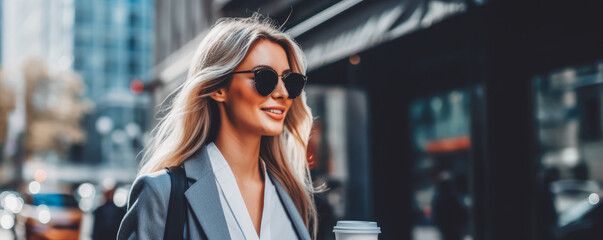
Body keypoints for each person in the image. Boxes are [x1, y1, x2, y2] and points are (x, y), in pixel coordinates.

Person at [117, 13, 317, 240]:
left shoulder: (292, 194)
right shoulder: (160, 193)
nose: (282, 93)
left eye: (291, 81)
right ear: (218, 88)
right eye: (265, 78)